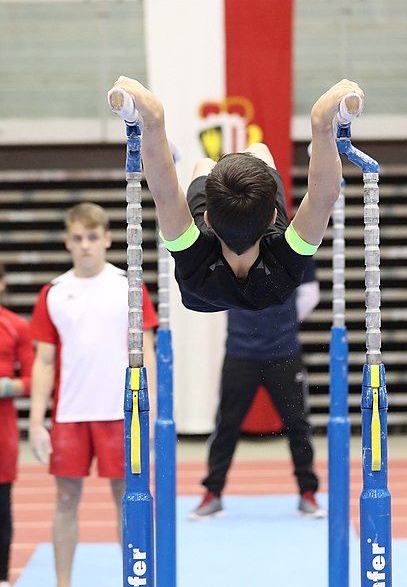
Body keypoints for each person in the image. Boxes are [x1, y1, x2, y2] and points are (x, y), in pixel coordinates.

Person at [109, 76, 363, 313]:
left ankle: (212, 166)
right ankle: (225, 164)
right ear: (273, 217)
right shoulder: (283, 261)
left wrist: (153, 118)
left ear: (207, 218)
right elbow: (324, 196)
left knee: (205, 166)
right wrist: (321, 123)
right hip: (269, 289)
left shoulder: (193, 254)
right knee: (259, 150)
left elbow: (165, 191)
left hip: (200, 294)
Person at [28, 203, 158, 587]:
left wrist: (154, 409)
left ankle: (133, 578)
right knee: (66, 500)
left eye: (92, 237)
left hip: (122, 412)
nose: (85, 245)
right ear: (68, 242)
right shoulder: (53, 293)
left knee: (127, 500)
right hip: (71, 413)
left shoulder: (128, 286)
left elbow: (146, 350)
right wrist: (36, 423)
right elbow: (44, 363)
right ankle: (63, 582)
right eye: (78, 238)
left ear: (107, 239)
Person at [189, 257, 326, 519]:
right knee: (226, 425)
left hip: (283, 352)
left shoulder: (294, 247)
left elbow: (310, 294)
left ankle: (307, 493)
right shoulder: (230, 242)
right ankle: (213, 493)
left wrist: (280, 324)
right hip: (241, 352)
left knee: (298, 425)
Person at [0, 263, 35, 587]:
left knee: (1, 509)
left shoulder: (15, 327)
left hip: (3, 435)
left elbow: (32, 379)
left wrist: (7, 386)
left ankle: (3, 577)